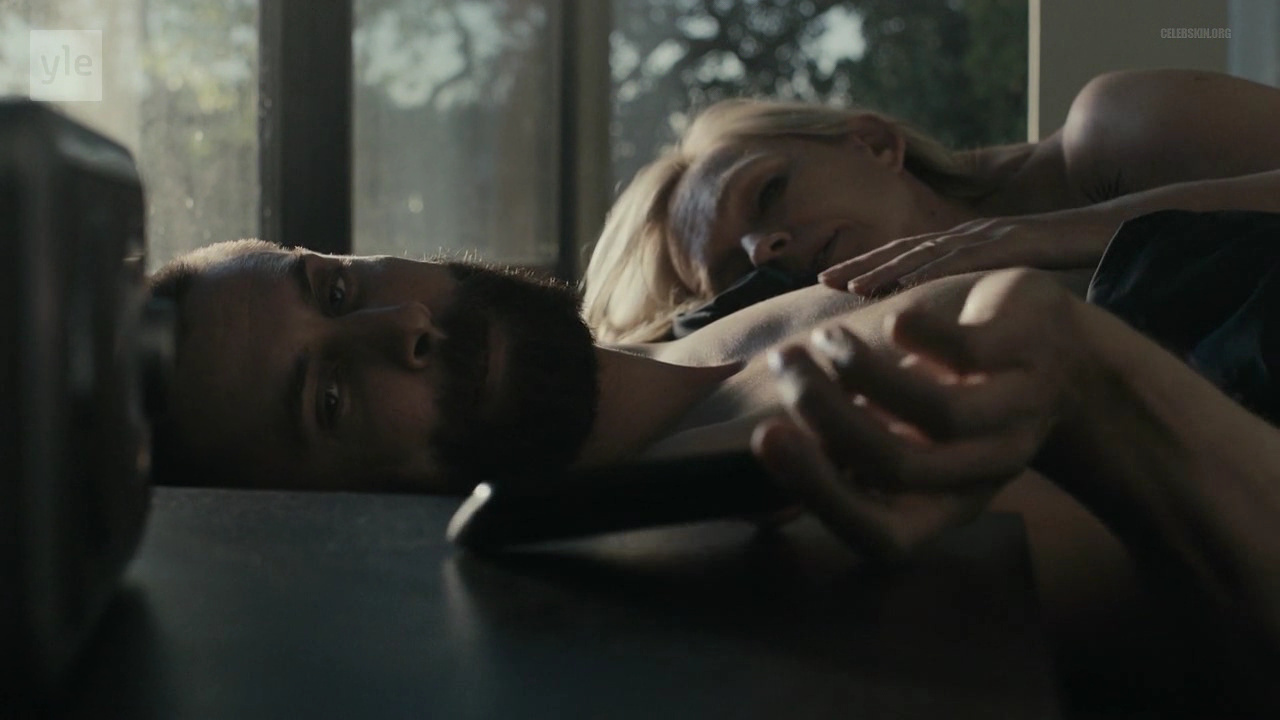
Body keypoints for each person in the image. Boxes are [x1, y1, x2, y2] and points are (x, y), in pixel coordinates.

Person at [583, 68, 1280, 343]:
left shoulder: (1114, 131)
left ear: (874, 142)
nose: (762, 248)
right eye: (738, 273)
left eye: (767, 193)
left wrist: (1063, 235)